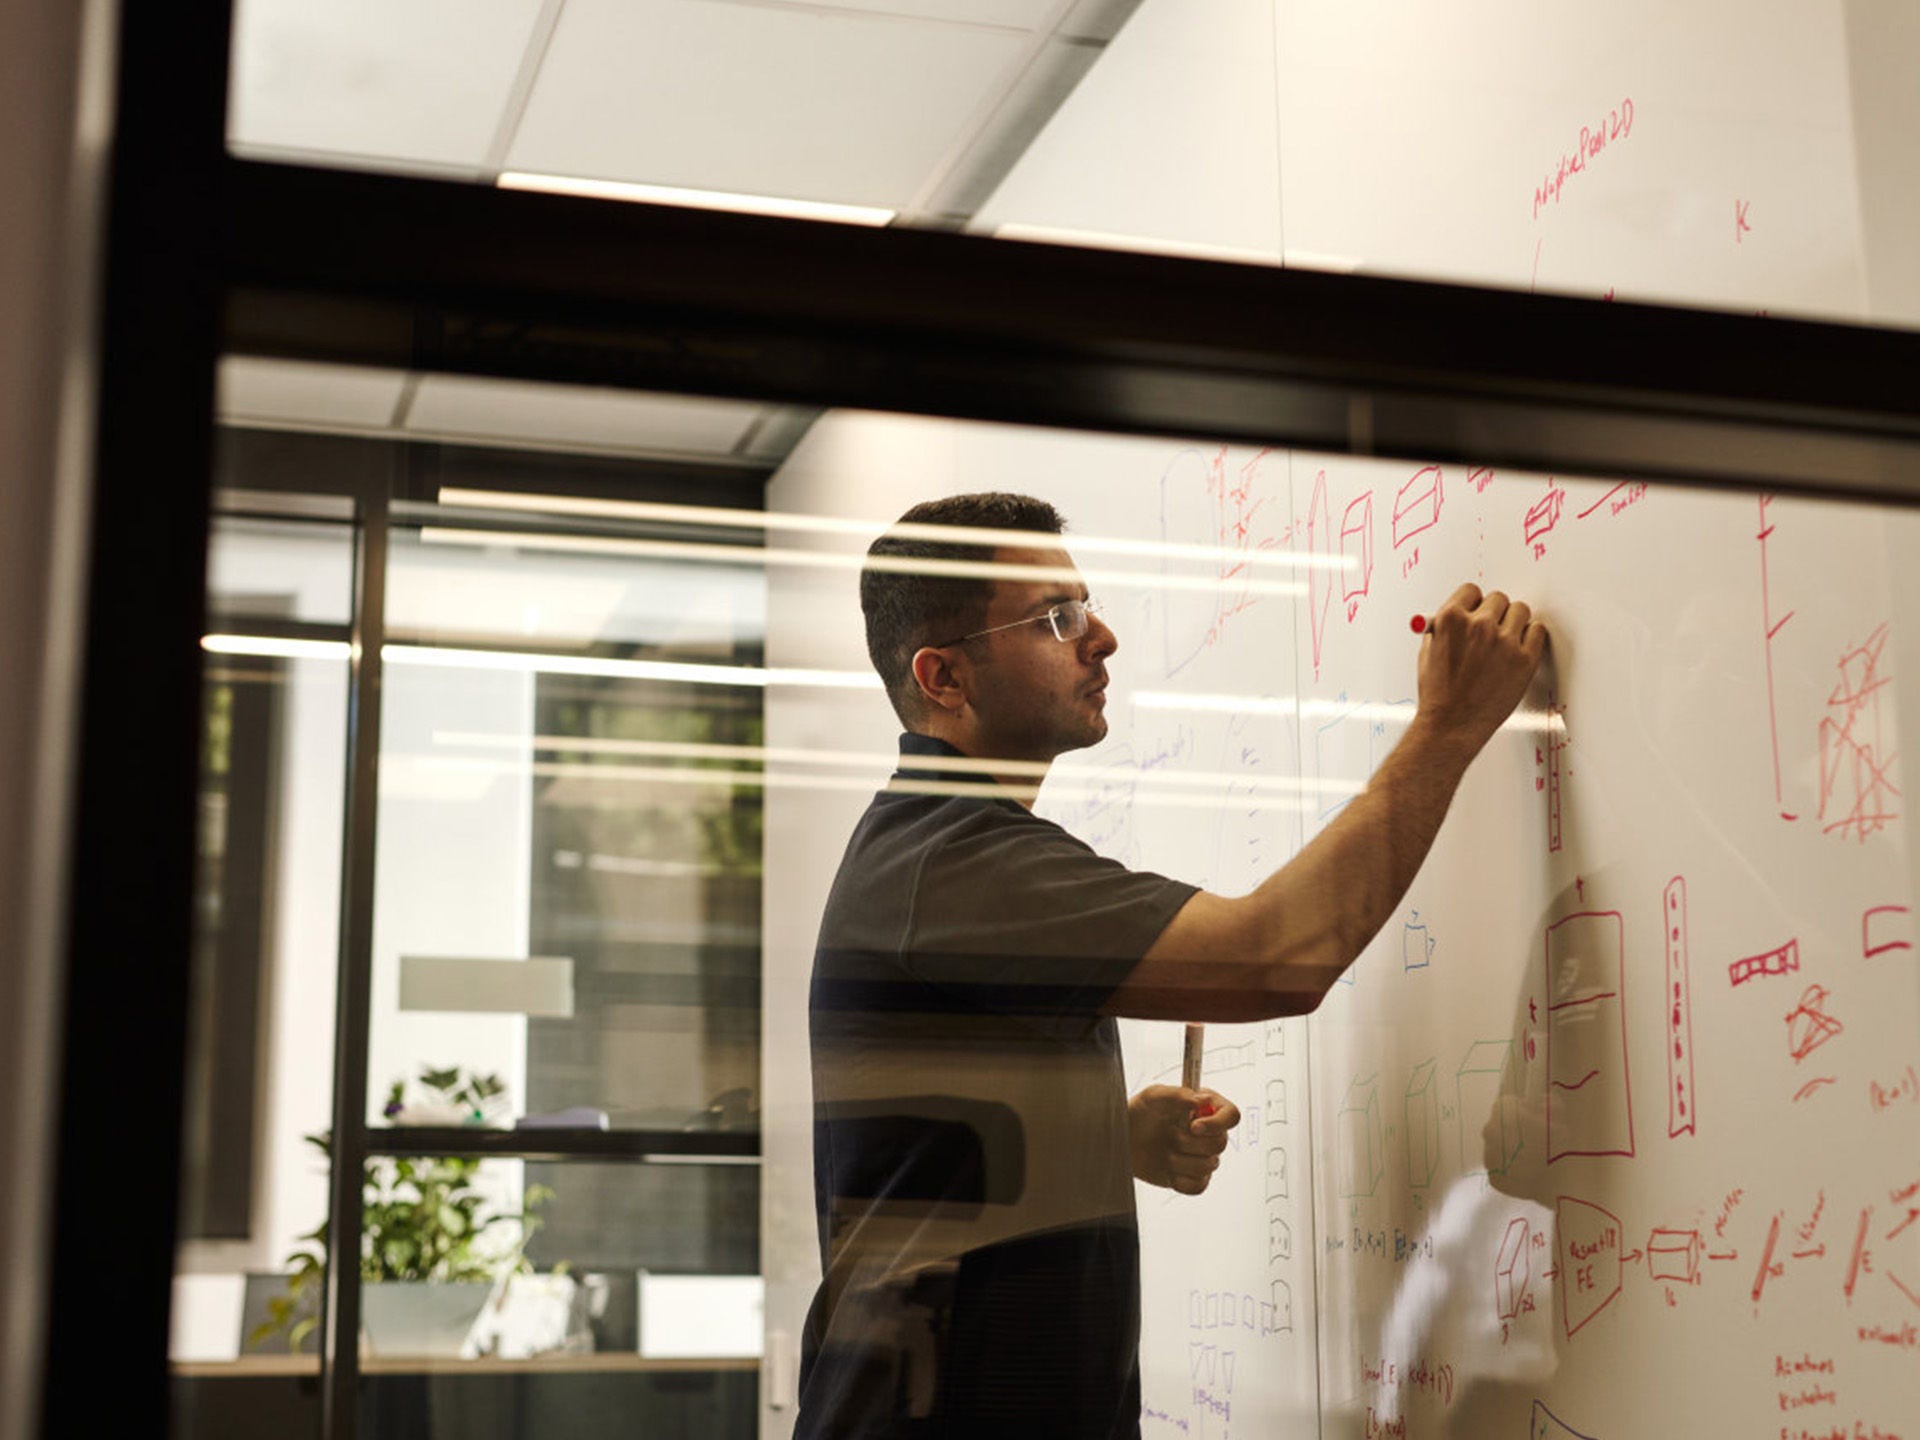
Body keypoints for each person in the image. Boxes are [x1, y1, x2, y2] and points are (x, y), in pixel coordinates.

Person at [796, 492, 1546, 1439]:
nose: (1100, 636)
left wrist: (1102, 1140)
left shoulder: (940, 852)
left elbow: (927, 1158)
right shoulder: (951, 862)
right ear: (944, 677)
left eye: (1086, 604)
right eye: (1056, 618)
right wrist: (1446, 726)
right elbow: (1275, 960)